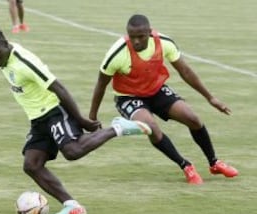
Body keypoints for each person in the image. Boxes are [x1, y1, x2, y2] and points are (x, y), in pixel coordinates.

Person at [0, 20, 152, 214]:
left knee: (72, 151)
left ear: (6, 44)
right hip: (38, 118)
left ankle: (117, 128)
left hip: (54, 110)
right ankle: (72, 206)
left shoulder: (24, 62)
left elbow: (58, 87)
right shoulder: (2, 55)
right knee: (31, 165)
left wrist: (81, 119)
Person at [89, 14, 239, 185]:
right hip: (128, 97)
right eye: (132, 37)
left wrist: (210, 98)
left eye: (141, 36)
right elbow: (100, 85)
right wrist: (92, 118)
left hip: (156, 90)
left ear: (150, 32)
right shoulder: (117, 53)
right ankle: (186, 166)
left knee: (193, 119)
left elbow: (186, 71)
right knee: (150, 127)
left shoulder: (164, 43)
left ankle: (214, 163)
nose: (136, 41)